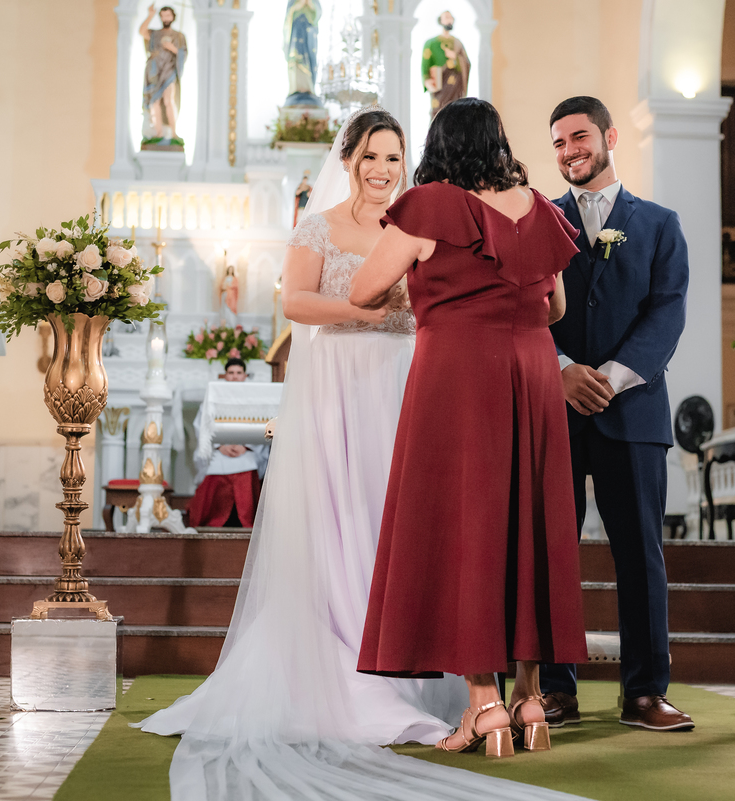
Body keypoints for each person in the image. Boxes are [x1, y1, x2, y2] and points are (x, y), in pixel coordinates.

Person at [137, 108, 563, 801]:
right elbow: (299, 300)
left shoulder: (425, 212)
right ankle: (438, 679)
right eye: (371, 155)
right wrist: (382, 311)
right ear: (349, 157)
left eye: (394, 156)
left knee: (418, 520)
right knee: (361, 515)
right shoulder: (330, 224)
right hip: (345, 381)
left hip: (410, 378)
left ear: (413, 159)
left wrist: (411, 308)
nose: (383, 168)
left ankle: (451, 682)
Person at [353, 97, 588, 758]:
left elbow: (364, 289)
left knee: (467, 528)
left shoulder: (431, 204)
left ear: (441, 146)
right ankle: (531, 699)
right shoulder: (539, 206)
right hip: (533, 374)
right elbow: (557, 303)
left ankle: (483, 708)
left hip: (457, 374)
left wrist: (426, 286)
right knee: (528, 526)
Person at [543, 95, 694, 731]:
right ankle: (554, 689)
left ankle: (643, 692)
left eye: (578, 137)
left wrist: (605, 379)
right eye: (557, 143)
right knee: (552, 551)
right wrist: (560, 370)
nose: (569, 151)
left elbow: (667, 312)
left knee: (639, 552)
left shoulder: (659, 224)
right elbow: (520, 306)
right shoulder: (537, 219)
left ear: (607, 137)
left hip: (631, 411)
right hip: (552, 410)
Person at [186, 358, 266, 528]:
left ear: (245, 375)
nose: (235, 377)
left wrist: (246, 446)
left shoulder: (255, 399)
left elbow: (263, 424)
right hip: (220, 450)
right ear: (225, 375)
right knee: (214, 468)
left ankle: (245, 523)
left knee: (248, 466)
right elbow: (201, 425)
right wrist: (219, 445)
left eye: (238, 373)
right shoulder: (213, 398)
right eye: (231, 373)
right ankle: (212, 523)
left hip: (246, 451)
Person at [140, 4, 187, 143]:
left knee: (168, 100)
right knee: (155, 101)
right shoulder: (155, 34)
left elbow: (183, 52)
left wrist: (173, 48)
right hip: (155, 71)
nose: (166, 18)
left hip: (169, 70)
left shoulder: (178, 36)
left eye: (168, 15)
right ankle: (158, 133)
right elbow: (142, 31)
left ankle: (173, 133)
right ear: (160, 17)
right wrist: (150, 15)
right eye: (163, 15)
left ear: (173, 17)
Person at [421, 11, 470, 118]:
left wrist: (456, 57)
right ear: (440, 20)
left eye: (451, 17)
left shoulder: (457, 43)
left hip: (455, 85)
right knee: (439, 113)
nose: (449, 20)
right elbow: (425, 65)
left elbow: (466, 63)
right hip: (440, 84)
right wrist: (426, 80)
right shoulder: (432, 43)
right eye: (446, 17)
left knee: (455, 113)